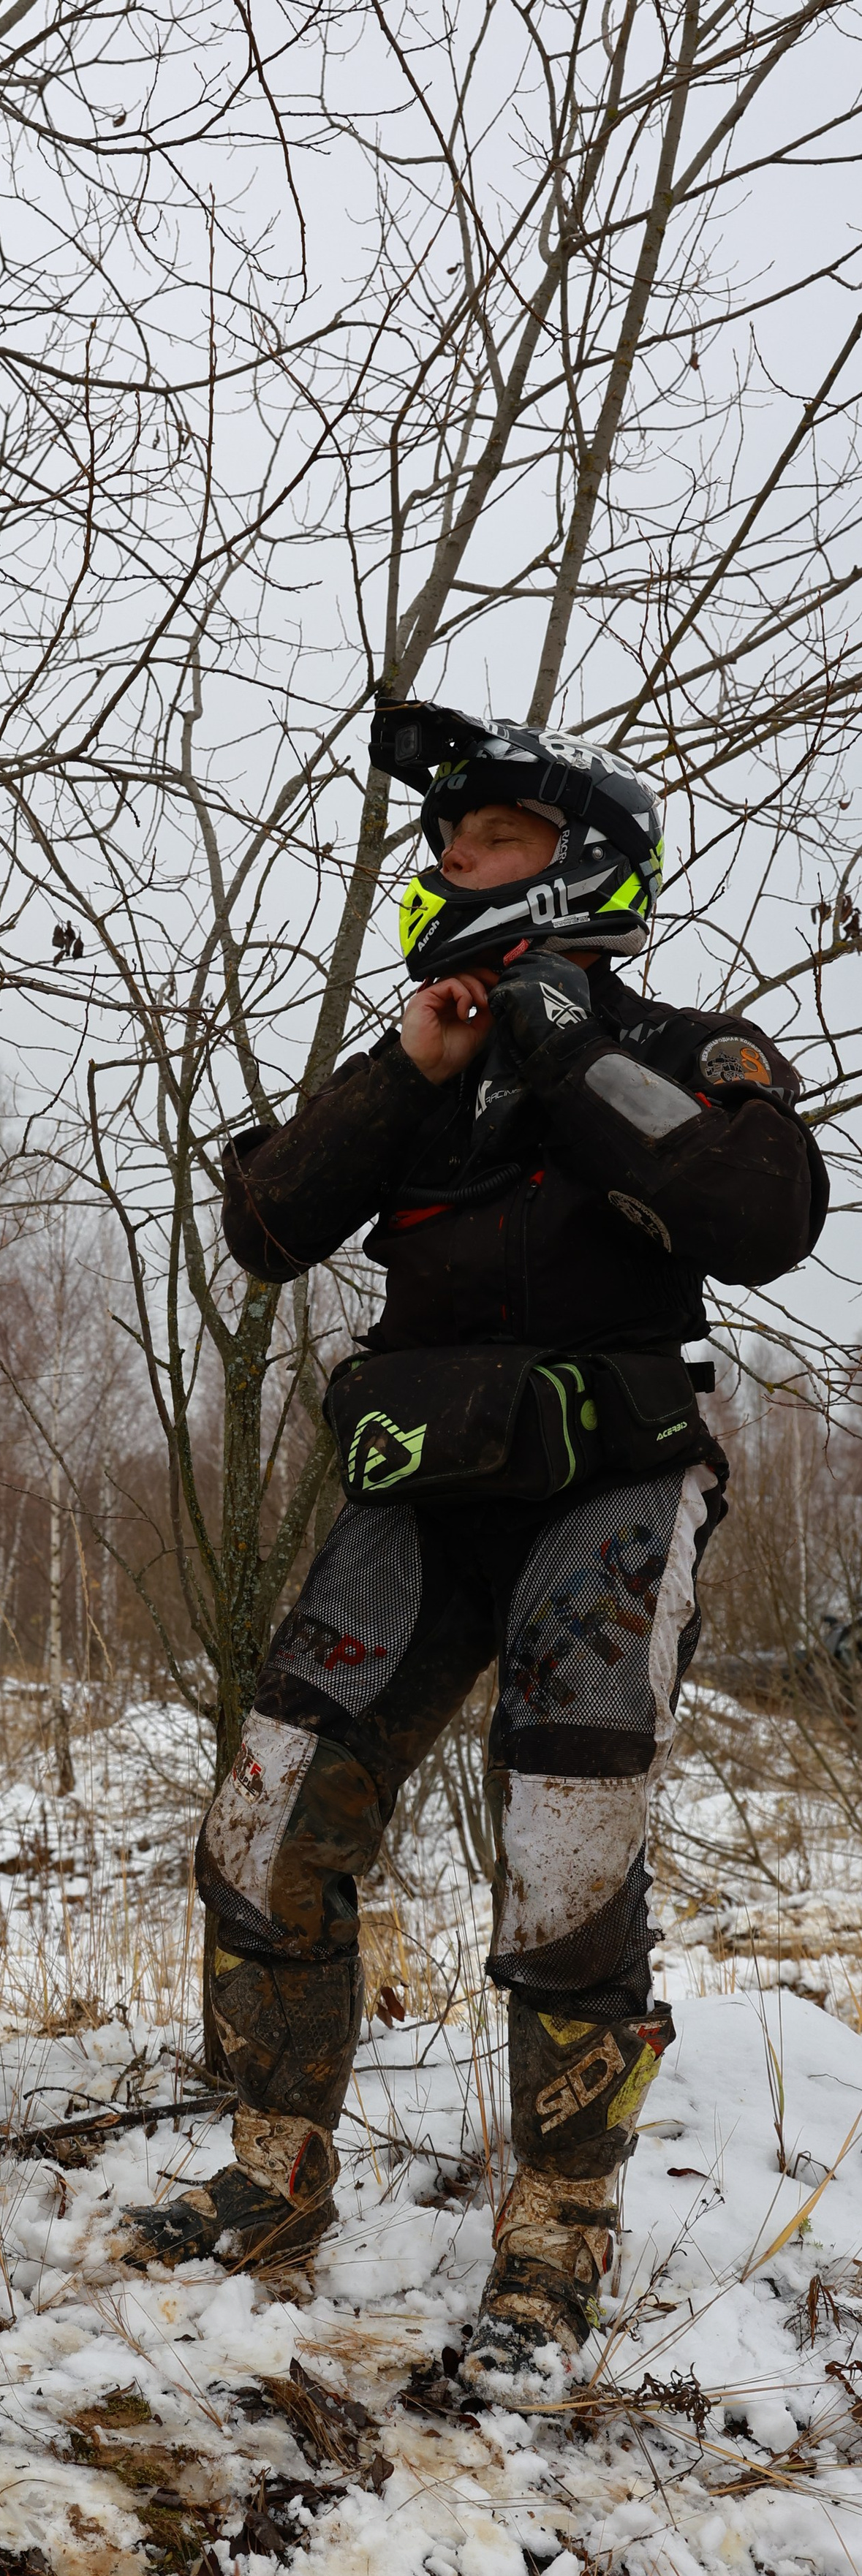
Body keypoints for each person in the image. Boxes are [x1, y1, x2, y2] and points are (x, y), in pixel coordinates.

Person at [121, 699, 828, 2403]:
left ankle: (561, 2212)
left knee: (565, 1814)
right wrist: (408, 1072)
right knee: (267, 1806)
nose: (447, 859)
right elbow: (265, 1225)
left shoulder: (682, 1038)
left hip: (611, 1476)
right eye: (447, 839)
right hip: (418, 1480)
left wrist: (576, 1051)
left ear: (578, 859)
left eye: (489, 837)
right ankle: (276, 2162)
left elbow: (764, 1220)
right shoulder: (419, 1071)